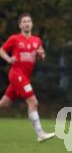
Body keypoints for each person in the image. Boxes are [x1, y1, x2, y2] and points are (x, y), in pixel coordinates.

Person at [0, 13, 55, 142]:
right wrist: (9, 59)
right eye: (24, 21)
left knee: (4, 103)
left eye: (29, 21)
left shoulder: (37, 40)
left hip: (25, 76)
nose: (26, 23)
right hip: (16, 74)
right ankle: (40, 134)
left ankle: (40, 134)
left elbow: (41, 55)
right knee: (33, 102)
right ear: (20, 25)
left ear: (32, 24)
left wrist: (41, 54)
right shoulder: (15, 39)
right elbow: (1, 50)